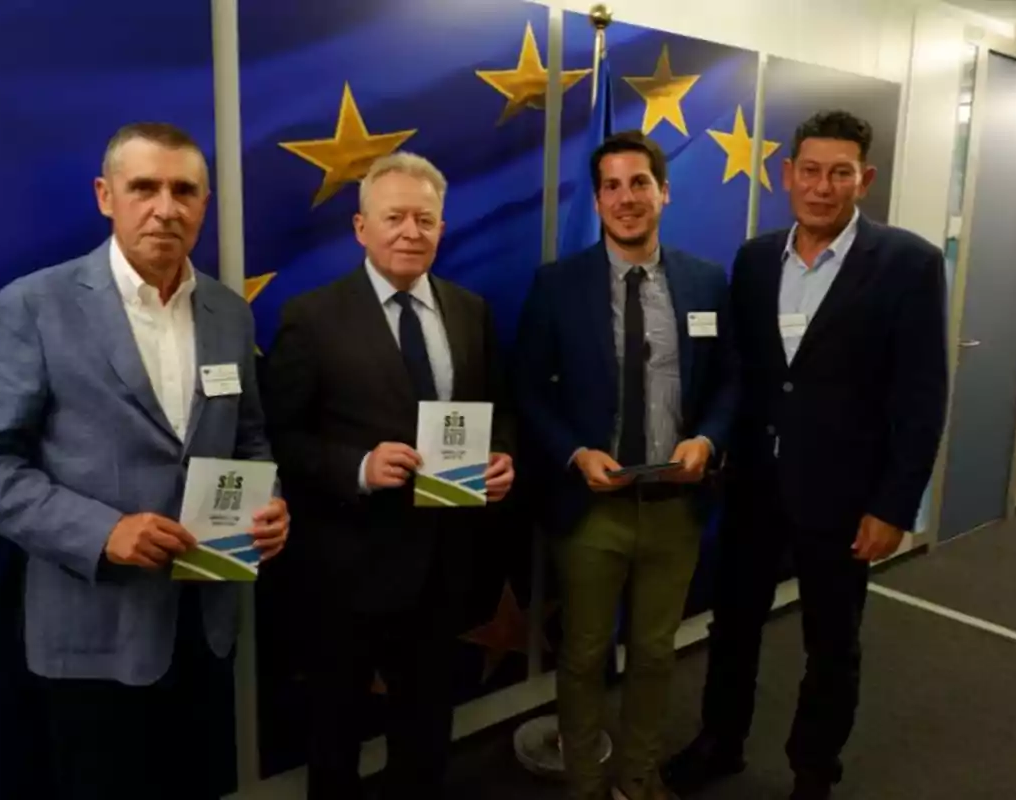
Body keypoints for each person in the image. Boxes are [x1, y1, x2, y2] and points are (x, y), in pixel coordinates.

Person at [0, 122, 289, 800]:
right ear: (107, 196)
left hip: (208, 623)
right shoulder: (35, 306)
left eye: (184, 190)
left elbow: (249, 437)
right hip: (94, 633)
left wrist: (268, 502)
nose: (166, 207)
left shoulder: (228, 312)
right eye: (144, 187)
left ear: (204, 203)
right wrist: (102, 533)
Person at [661, 110, 948, 800]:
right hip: (755, 489)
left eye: (840, 173)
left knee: (832, 645)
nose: (823, 187)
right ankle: (720, 742)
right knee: (733, 628)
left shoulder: (909, 264)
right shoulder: (756, 259)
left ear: (864, 179)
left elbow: (921, 396)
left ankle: (814, 771)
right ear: (787, 175)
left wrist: (893, 505)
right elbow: (750, 373)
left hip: (845, 499)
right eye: (810, 171)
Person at [261, 152, 516, 799]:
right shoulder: (311, 317)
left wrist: (502, 458)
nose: (410, 231)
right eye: (394, 217)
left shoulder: (469, 310)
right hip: (343, 571)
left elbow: (497, 410)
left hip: (442, 565)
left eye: (425, 219)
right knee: (336, 735)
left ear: (441, 226)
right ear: (360, 227)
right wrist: (358, 468)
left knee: (426, 730)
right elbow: (279, 438)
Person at [515, 130, 739, 800]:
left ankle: (638, 778)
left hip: (676, 509)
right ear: (598, 198)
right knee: (584, 657)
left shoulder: (704, 281)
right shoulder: (558, 285)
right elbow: (526, 386)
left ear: (664, 192)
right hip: (593, 510)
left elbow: (731, 378)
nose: (625, 198)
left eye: (638, 183)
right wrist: (573, 452)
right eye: (610, 186)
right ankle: (585, 782)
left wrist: (709, 437)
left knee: (653, 654)